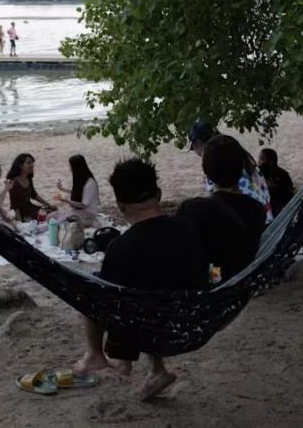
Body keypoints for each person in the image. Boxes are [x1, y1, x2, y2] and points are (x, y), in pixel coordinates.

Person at [73, 159, 208, 400]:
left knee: (95, 286)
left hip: (151, 328)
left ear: (120, 205)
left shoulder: (121, 248)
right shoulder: (189, 227)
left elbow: (109, 304)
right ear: (159, 194)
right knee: (151, 286)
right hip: (194, 321)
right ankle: (156, 370)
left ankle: (96, 354)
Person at [178, 135, 267, 285]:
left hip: (213, 282)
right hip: (243, 280)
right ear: (241, 168)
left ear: (206, 170)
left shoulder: (191, 209)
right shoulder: (257, 209)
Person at [188, 120, 273, 223]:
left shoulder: (215, 166)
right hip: (266, 219)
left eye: (194, 148)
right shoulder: (239, 155)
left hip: (251, 226)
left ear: (197, 143)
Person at [53, 154, 99, 226]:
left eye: (70, 166)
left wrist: (66, 201)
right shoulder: (82, 179)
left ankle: (89, 222)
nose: (69, 168)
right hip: (80, 211)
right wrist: (62, 189)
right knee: (52, 216)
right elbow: (79, 193)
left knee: (60, 220)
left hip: (88, 213)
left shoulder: (90, 183)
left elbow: (83, 205)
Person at [6, 153, 55, 221]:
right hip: (21, 213)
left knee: (52, 213)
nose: (32, 165)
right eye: (28, 163)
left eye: (32, 163)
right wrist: (20, 223)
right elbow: (15, 206)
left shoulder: (28, 178)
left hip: (30, 208)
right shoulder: (14, 183)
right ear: (21, 166)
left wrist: (49, 205)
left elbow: (34, 195)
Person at [257, 148, 295, 216]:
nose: (259, 162)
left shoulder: (282, 174)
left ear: (271, 162)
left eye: (262, 159)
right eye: (259, 159)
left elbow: (289, 192)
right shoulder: (260, 175)